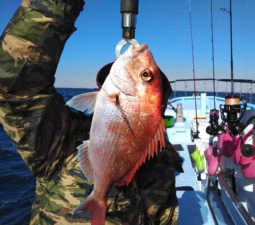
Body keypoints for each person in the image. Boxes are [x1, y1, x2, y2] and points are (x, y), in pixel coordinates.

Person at [0, 1, 182, 224]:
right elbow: (12, 84)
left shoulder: (163, 166)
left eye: (145, 75)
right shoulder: (62, 142)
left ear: (158, 110)